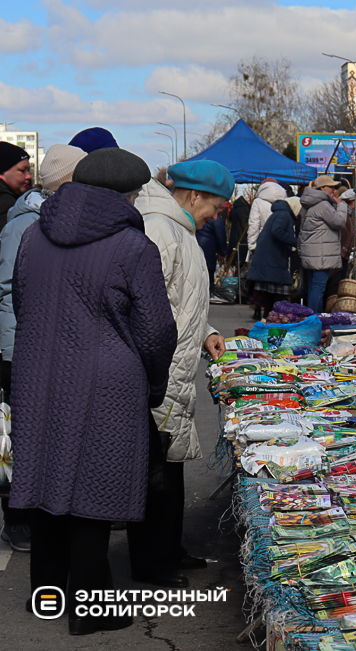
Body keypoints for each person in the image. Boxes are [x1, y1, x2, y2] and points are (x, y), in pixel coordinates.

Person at [10, 148, 177, 635]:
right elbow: (156, 331)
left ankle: (46, 593)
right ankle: (92, 609)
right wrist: (154, 383)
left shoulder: (34, 235)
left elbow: (22, 301)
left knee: (45, 481)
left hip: (37, 374)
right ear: (128, 195)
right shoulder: (132, 246)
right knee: (94, 491)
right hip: (108, 381)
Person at [132, 160, 231, 588]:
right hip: (160, 370)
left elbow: (183, 299)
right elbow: (149, 305)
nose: (216, 216)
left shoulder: (181, 230)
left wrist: (206, 331)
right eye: (216, 207)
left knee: (170, 468)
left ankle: (169, 550)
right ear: (193, 196)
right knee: (154, 474)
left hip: (176, 367)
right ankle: (151, 566)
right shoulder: (160, 229)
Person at [0, 144, 88, 554]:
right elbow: (8, 291)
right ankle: (17, 520)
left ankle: (42, 515)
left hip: (43, 344)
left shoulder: (54, 216)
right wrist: (13, 348)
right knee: (17, 435)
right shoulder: (24, 222)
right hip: (18, 347)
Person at [299, 176, 346, 312]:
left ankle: (311, 316)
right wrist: (341, 205)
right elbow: (339, 222)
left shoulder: (308, 204)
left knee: (313, 287)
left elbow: (301, 229)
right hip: (321, 254)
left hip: (311, 252)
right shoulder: (323, 205)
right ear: (322, 188)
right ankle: (315, 318)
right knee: (318, 288)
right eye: (331, 187)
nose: (334, 190)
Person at [248, 196, 301, 317]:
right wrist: (296, 242)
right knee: (277, 294)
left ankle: (267, 319)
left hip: (269, 258)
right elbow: (277, 230)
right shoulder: (284, 215)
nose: (300, 214)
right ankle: (271, 320)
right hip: (273, 259)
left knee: (270, 295)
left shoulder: (279, 213)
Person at [247, 178, 287, 259]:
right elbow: (289, 223)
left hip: (262, 242)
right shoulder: (285, 201)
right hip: (280, 242)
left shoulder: (257, 202)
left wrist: (252, 245)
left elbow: (254, 225)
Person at [0, 142, 32, 228]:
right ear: (2, 173)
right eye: (22, 170)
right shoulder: (6, 202)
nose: (29, 176)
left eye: (28, 171)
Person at [196, 204, 228, 289]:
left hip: (198, 245)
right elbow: (221, 236)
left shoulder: (200, 215)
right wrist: (223, 252)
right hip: (208, 249)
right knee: (208, 277)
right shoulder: (216, 219)